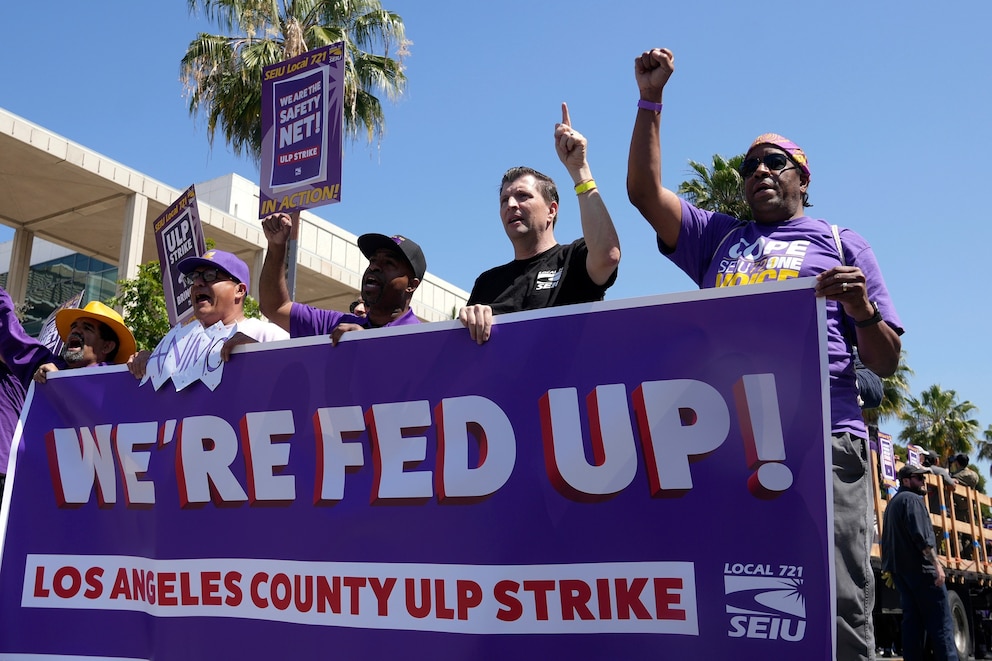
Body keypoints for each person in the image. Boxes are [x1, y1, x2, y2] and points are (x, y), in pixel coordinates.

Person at [626, 48, 904, 661]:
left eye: (774, 162)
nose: (759, 172)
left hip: (824, 436)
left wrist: (862, 311)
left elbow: (884, 362)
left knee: (837, 604)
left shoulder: (840, 242)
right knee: (748, 602)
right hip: (733, 443)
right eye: (749, 165)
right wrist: (651, 100)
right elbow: (644, 193)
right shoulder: (717, 239)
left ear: (803, 177)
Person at [458, 103, 621, 344]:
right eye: (504, 200)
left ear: (551, 211)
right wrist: (468, 320)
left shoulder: (573, 259)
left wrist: (580, 170)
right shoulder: (487, 283)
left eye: (523, 196)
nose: (511, 204)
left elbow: (608, 255)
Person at [0, 288, 136, 503]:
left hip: (94, 502)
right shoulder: (49, 367)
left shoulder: (122, 386)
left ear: (107, 346)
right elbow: (11, 336)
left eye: (87, 328)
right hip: (41, 497)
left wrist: (65, 387)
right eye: (74, 326)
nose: (75, 331)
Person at [258, 214, 424, 344]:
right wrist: (276, 247)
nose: (374, 267)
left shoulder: (424, 340)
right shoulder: (335, 325)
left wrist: (370, 345)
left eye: (389, 263)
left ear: (411, 285)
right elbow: (276, 307)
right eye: (372, 261)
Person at [127, 249, 288, 378]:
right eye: (194, 277)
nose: (198, 283)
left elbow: (294, 383)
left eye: (210, 275)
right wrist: (150, 362)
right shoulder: (178, 341)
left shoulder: (268, 334)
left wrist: (259, 355)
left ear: (239, 290)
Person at [881, 463, 959, 661]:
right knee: (941, 623)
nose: (924, 482)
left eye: (924, 478)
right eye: (919, 478)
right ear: (906, 481)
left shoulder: (893, 503)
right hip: (922, 571)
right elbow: (921, 537)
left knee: (912, 625)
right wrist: (937, 565)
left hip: (901, 572)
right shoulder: (913, 500)